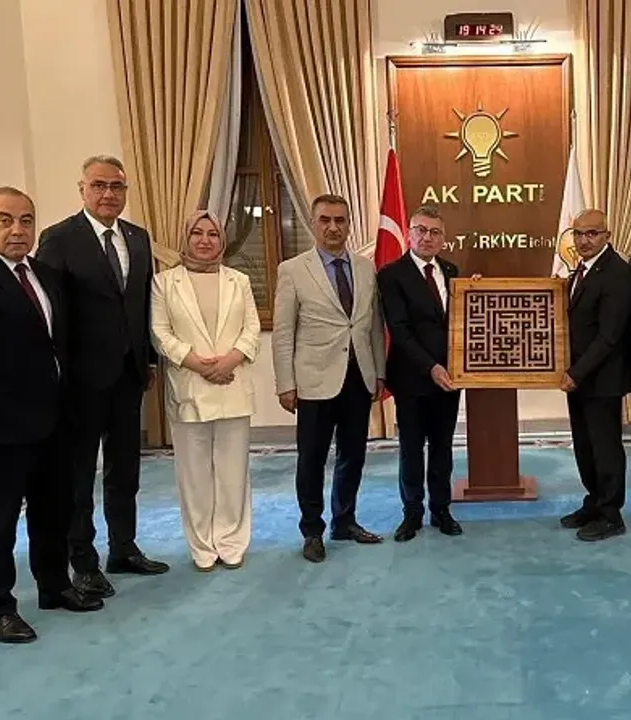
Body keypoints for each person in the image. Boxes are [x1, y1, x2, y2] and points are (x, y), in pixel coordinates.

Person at [0, 187, 103, 644]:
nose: (17, 229)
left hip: (54, 421)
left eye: (26, 220)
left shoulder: (45, 275)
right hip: (0, 428)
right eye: (4, 220)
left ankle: (55, 586)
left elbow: (57, 347)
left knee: (54, 511)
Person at [37, 155, 169, 597]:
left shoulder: (138, 237)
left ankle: (123, 548)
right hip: (80, 379)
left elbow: (143, 304)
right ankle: (83, 561)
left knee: (125, 468)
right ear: (82, 189)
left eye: (116, 186)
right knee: (78, 475)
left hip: (129, 374)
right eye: (99, 185)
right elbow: (51, 312)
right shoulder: (58, 239)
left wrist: (149, 360)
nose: (108, 194)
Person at [272, 194, 387, 563]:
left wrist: (379, 372)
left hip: (358, 378)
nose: (333, 227)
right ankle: (312, 530)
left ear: (349, 224)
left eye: (340, 220)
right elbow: (283, 332)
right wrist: (285, 383)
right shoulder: (293, 270)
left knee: (353, 455)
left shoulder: (366, 268)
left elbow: (372, 326)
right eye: (325, 220)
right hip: (314, 380)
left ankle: (344, 520)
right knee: (312, 459)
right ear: (313, 223)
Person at [150, 211, 261, 571]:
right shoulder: (164, 282)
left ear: (222, 240)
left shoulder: (239, 281)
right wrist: (198, 364)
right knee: (194, 475)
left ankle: (231, 541)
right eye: (197, 233)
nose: (204, 240)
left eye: (212, 234)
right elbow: (160, 333)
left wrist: (228, 362)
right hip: (189, 386)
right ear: (186, 238)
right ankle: (201, 545)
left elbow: (252, 328)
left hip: (232, 384)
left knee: (233, 472)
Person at [377, 205, 464, 542]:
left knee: (443, 448)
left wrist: (474, 294)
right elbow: (399, 330)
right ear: (409, 233)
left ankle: (441, 510)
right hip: (412, 378)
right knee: (412, 449)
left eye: (434, 232)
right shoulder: (391, 274)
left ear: (443, 238)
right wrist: (431, 367)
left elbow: (459, 319)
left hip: (450, 379)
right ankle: (412, 513)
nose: (427, 237)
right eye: (421, 230)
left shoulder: (452, 271)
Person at [559, 209, 631, 541]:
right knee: (585, 446)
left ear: (607, 235)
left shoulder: (617, 273)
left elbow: (610, 335)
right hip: (579, 380)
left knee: (605, 450)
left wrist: (576, 373)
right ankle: (594, 502)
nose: (584, 240)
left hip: (602, 380)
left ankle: (611, 514)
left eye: (591, 233)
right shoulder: (582, 269)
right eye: (578, 234)